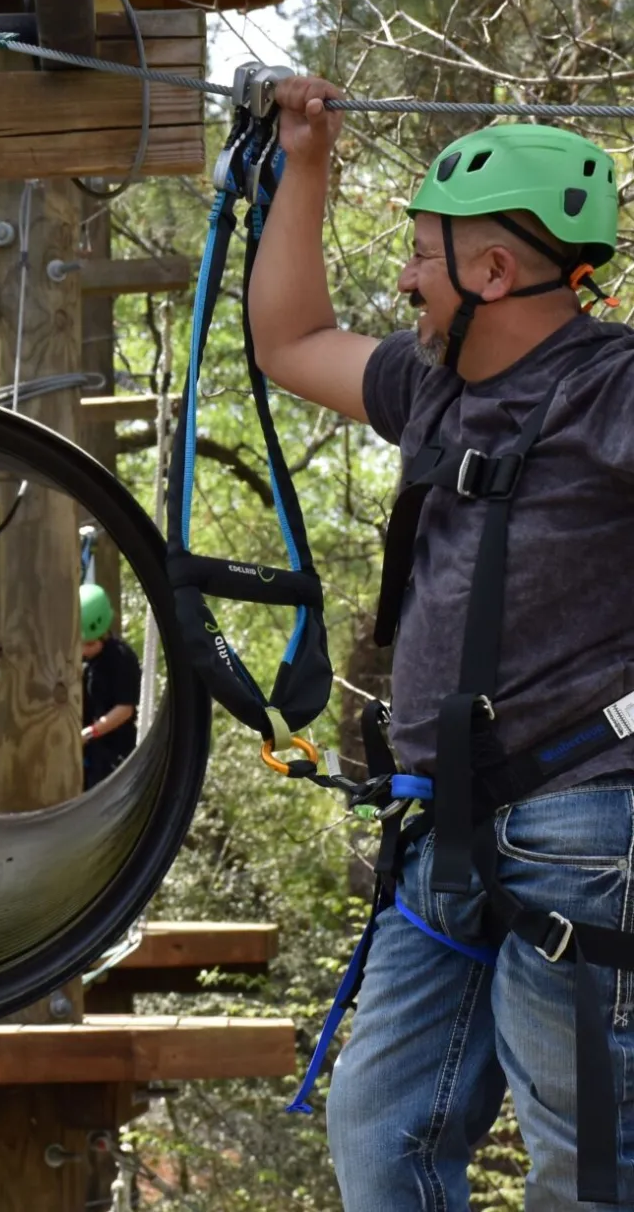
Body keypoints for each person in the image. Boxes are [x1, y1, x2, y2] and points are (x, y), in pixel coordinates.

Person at [249, 80, 634, 1211]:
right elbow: (290, 339)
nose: (406, 279)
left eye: (424, 255)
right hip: (448, 829)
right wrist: (305, 161)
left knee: (588, 1170)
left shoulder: (611, 389)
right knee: (382, 1132)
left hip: (581, 828)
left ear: (495, 274)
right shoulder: (433, 387)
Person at [79, 582, 140, 788]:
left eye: (89, 644)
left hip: (114, 756)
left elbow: (125, 709)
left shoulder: (121, 658)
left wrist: (91, 732)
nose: (83, 651)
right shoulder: (78, 662)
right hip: (89, 757)